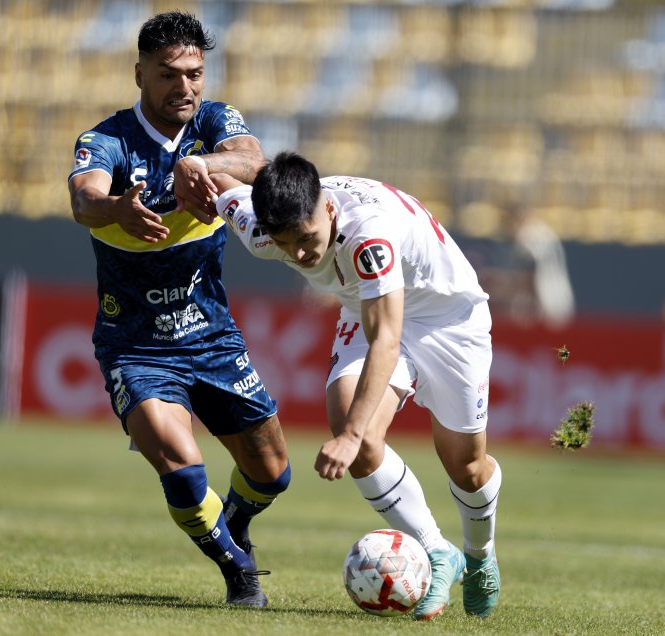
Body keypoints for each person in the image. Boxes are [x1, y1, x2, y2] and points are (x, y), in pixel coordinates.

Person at [211, 152, 503, 620]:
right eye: (286, 244)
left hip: (448, 316)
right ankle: (436, 552)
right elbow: (223, 185)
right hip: (366, 304)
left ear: (328, 209)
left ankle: (480, 554)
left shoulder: (370, 236)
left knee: (465, 466)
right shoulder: (260, 231)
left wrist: (349, 437)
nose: (299, 255)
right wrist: (194, 168)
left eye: (306, 239)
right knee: (356, 423)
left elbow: (387, 338)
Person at [66, 12, 289, 608]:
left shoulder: (214, 121)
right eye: (168, 74)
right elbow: (84, 198)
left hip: (211, 335)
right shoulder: (108, 140)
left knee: (273, 473)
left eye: (193, 73)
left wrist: (202, 165)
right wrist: (117, 209)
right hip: (135, 344)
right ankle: (237, 569)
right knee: (182, 466)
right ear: (139, 73)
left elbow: (255, 162)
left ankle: (233, 523)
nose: (183, 87)